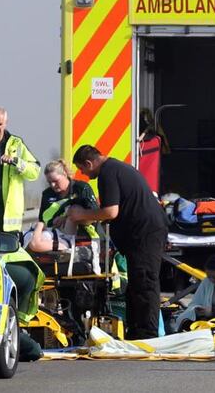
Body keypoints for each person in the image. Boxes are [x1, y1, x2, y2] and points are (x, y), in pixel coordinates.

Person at [69, 144, 168, 339]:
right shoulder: (116, 168)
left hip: (145, 233)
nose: (84, 174)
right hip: (141, 233)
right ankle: (136, 331)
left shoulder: (108, 173)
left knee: (145, 282)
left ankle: (147, 334)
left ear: (89, 163)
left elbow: (110, 211)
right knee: (136, 284)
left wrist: (81, 214)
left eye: (83, 169)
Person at [25, 159, 99, 253]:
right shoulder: (47, 194)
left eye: (55, 181)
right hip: (51, 233)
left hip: (79, 235)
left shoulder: (81, 188)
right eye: (49, 182)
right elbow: (42, 220)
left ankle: (65, 246)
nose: (53, 185)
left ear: (64, 174)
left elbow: (94, 213)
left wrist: (66, 217)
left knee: (75, 209)